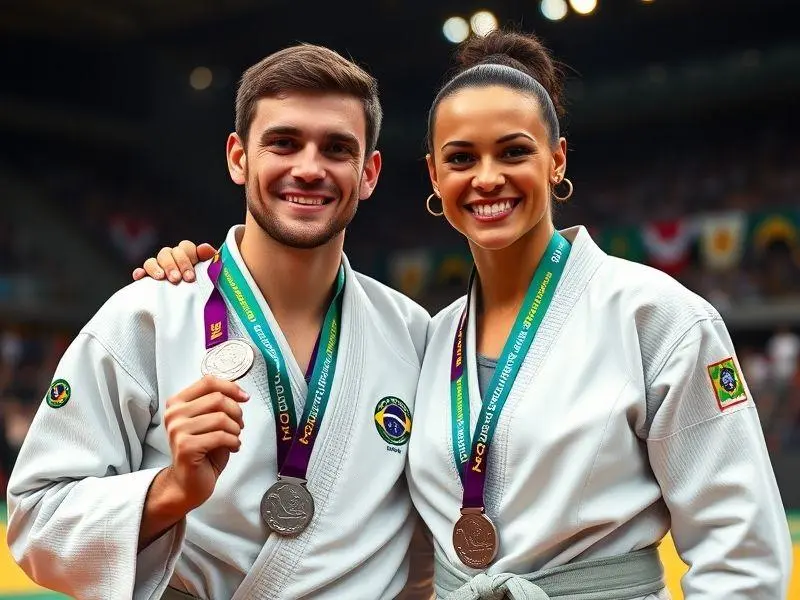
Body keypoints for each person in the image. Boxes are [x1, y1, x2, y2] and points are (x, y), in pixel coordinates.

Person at [137, 30, 793, 599]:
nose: (486, 178)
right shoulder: (427, 338)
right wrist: (197, 276)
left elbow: (739, 545)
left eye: (513, 152)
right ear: (433, 176)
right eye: (461, 158)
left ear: (556, 160)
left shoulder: (658, 317)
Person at [6, 44, 433, 600]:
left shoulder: (416, 333)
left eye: (336, 148)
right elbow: (36, 522)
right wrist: (171, 490)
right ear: (239, 157)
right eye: (283, 143)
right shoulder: (149, 314)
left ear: (368, 172)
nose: (308, 168)